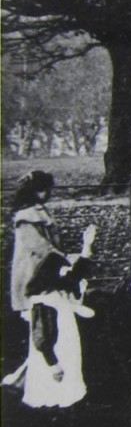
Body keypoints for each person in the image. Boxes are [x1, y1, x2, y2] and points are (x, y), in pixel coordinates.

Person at [5, 171, 97, 408]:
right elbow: (41, 249)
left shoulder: (40, 212)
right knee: (45, 330)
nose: (47, 194)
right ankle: (39, 384)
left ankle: (29, 380)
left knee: (52, 334)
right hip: (37, 274)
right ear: (33, 190)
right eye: (42, 189)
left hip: (49, 270)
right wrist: (64, 262)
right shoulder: (26, 218)